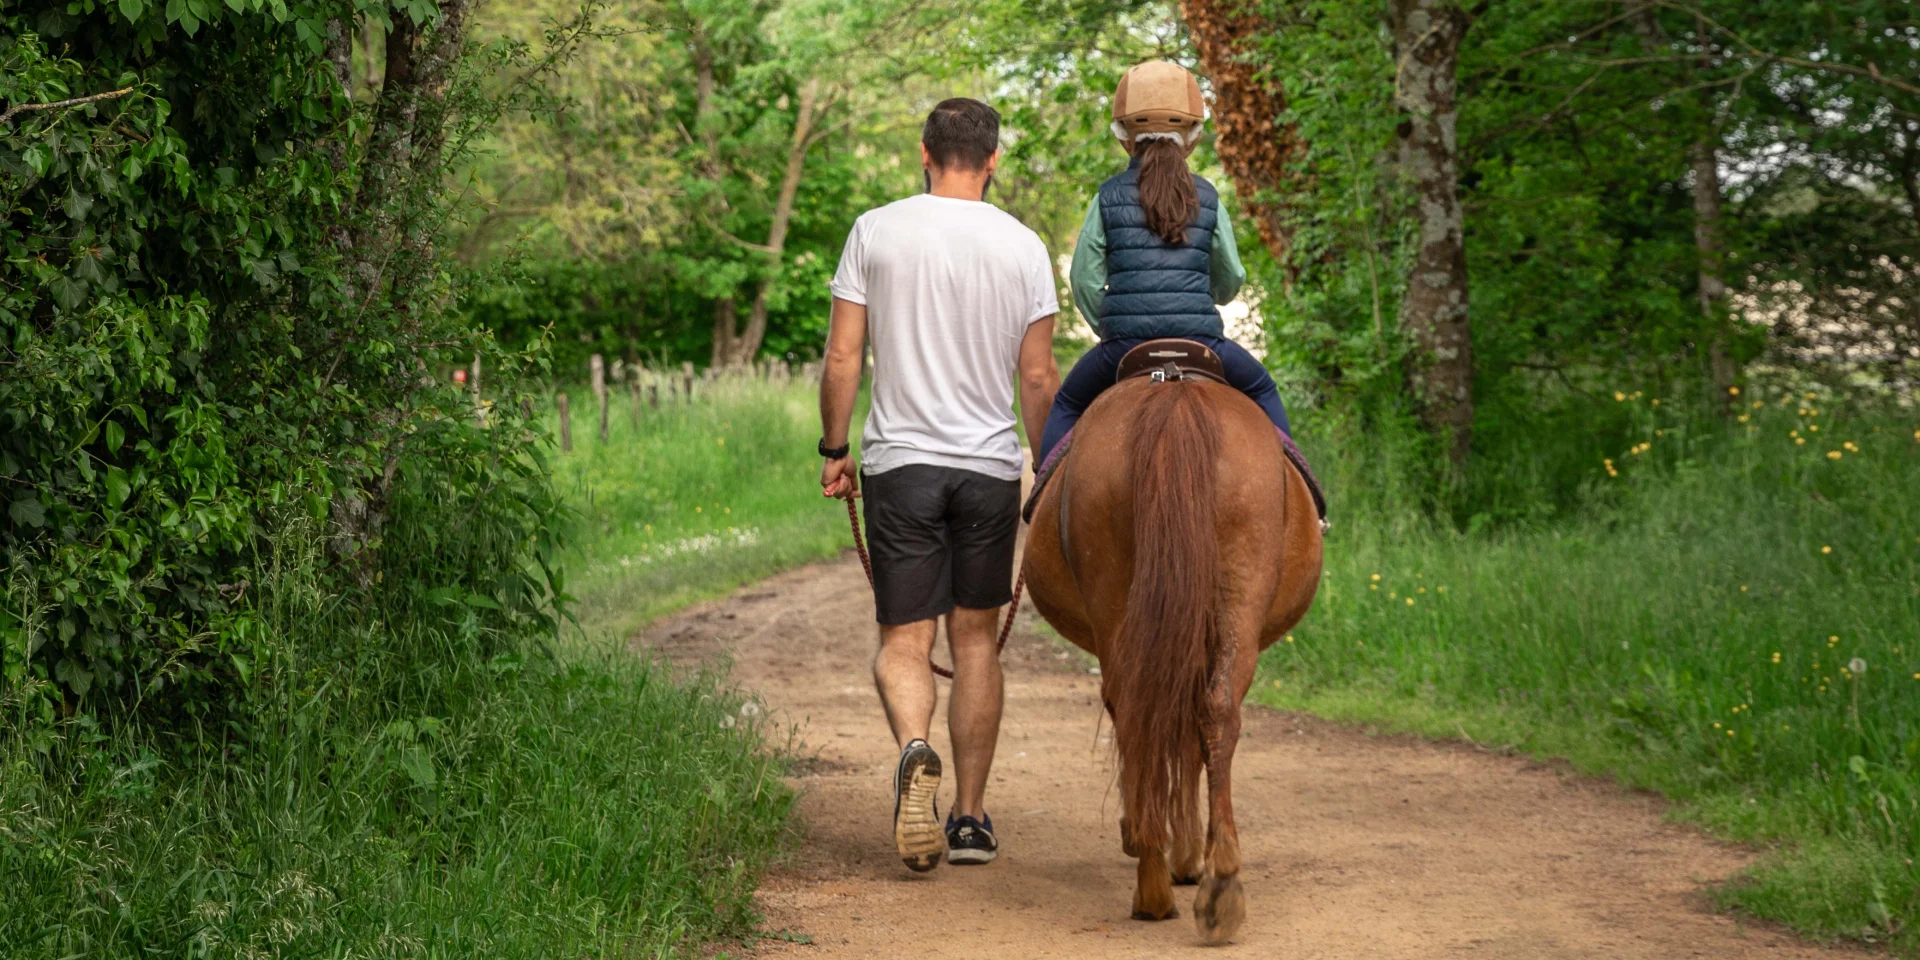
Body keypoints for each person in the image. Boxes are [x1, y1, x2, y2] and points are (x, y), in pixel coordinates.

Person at [816, 98, 1061, 872]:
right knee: (975, 641)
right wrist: (1043, 463)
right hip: (988, 468)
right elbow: (1037, 373)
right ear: (993, 160)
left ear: (925, 152)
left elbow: (843, 357)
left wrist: (833, 447)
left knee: (904, 639)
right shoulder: (1024, 245)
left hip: (902, 463)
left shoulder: (876, 230)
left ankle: (915, 749)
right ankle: (969, 820)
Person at [1036, 60, 1292, 463]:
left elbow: (1084, 279)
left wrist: (1111, 324)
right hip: (1201, 342)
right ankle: (1309, 505)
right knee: (1262, 389)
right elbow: (1231, 276)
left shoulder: (1107, 196)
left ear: (1124, 135)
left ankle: (1038, 510)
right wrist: (1211, 296)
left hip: (1123, 346)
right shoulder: (1207, 196)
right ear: (1191, 136)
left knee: (1067, 402)